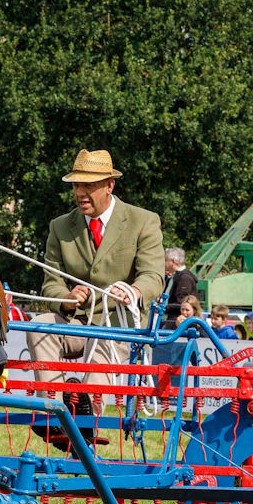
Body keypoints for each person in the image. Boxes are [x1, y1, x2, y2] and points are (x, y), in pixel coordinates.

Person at [26, 149, 164, 442]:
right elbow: (49, 284)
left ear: (109, 185)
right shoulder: (60, 226)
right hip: (77, 323)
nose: (80, 193)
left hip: (120, 327)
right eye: (76, 186)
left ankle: (84, 419)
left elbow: (154, 277)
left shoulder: (144, 221)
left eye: (88, 186)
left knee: (102, 342)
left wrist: (134, 292)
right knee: (39, 327)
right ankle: (53, 409)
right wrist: (65, 296)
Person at [164, 247, 197, 328]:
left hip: (178, 323)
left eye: (165, 260)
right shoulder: (175, 276)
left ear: (173, 262)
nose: (164, 263)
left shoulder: (184, 278)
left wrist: (164, 308)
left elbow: (182, 303)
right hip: (171, 320)